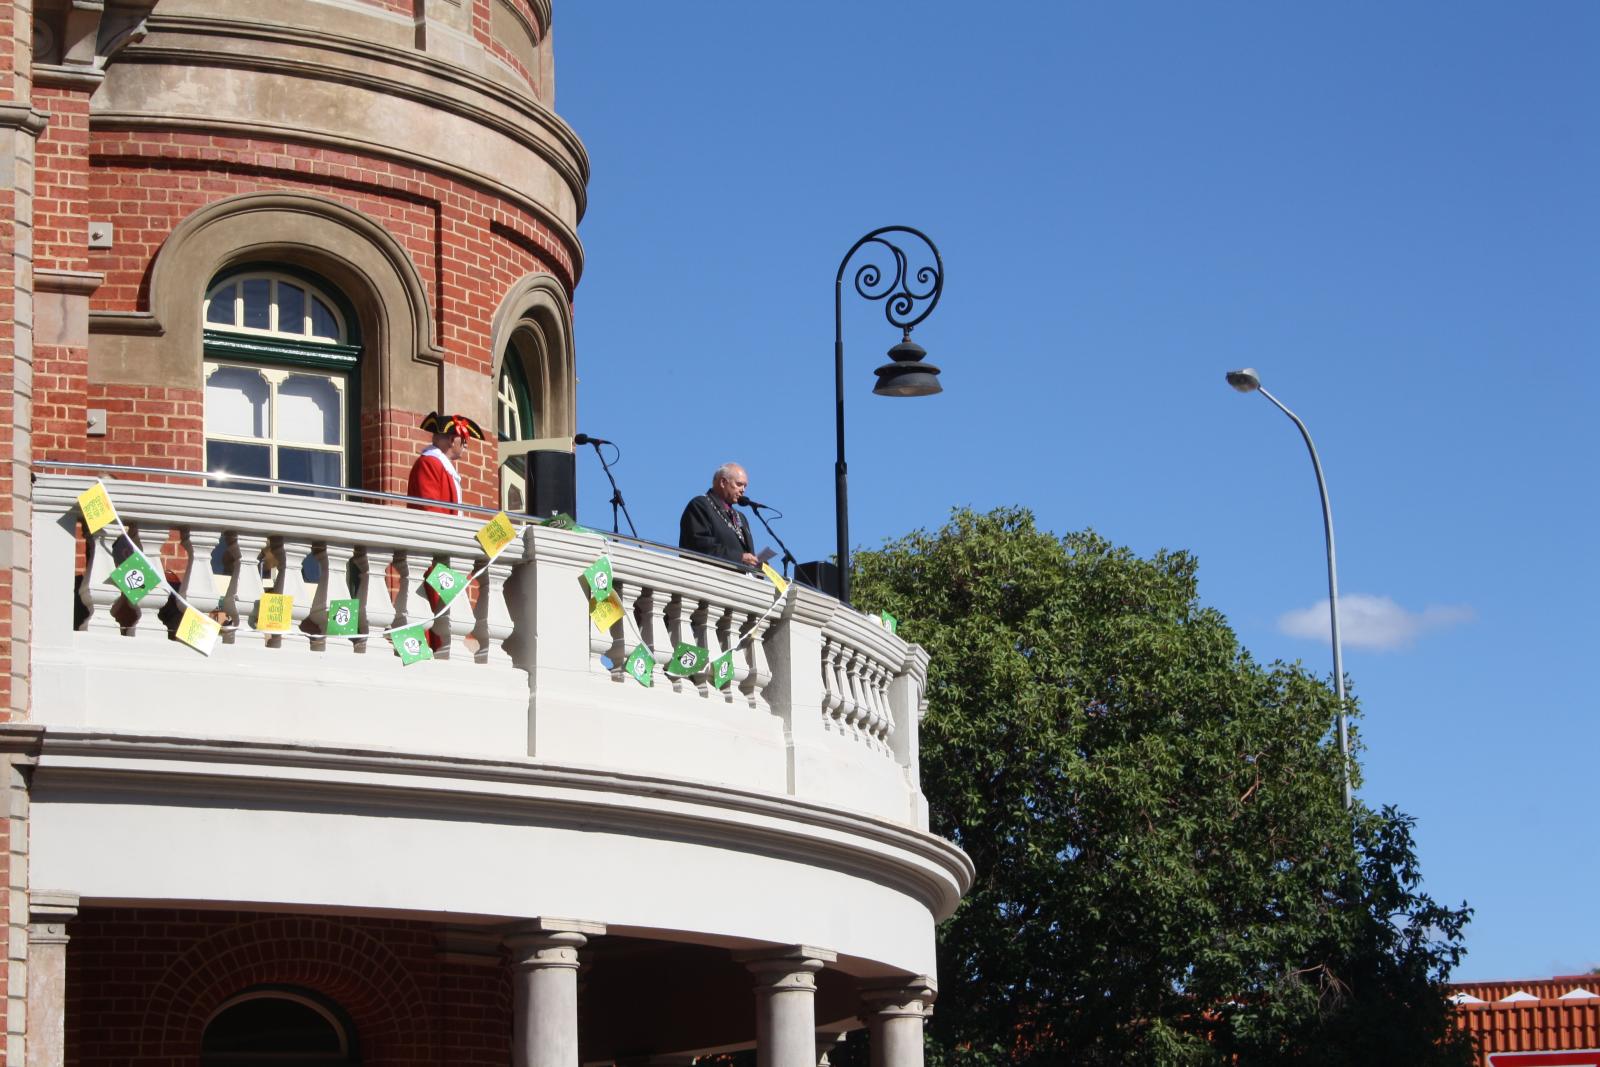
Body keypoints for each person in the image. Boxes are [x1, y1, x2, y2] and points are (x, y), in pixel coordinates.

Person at [679, 462, 760, 569]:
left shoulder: (741, 518)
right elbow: (699, 546)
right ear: (723, 482)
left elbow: (748, 555)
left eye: (745, 486)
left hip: (741, 582)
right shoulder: (700, 505)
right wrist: (739, 558)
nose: (743, 490)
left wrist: (757, 565)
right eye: (739, 484)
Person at [407, 411, 485, 515]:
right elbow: (430, 510)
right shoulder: (429, 463)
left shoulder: (439, 464)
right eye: (464, 440)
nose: (466, 445)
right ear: (452, 440)